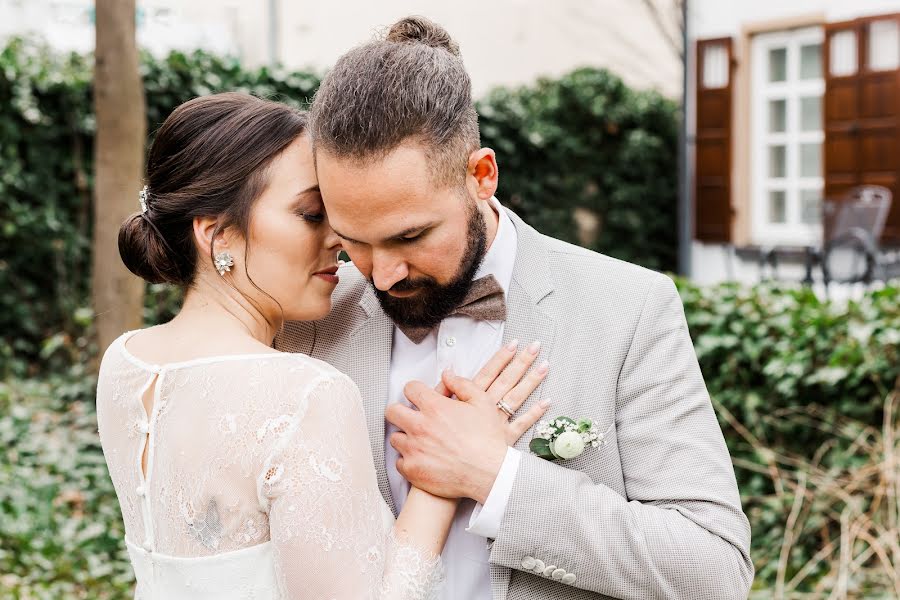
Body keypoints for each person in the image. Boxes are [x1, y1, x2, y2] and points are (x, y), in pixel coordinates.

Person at [275, 16, 754, 600]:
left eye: (409, 237)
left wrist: (494, 478)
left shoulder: (629, 309)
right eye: (354, 239)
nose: (382, 273)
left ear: (482, 176)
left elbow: (714, 570)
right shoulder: (308, 326)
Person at [96, 92, 549, 599]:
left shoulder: (125, 362)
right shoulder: (306, 394)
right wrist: (441, 482)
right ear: (218, 235)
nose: (338, 238)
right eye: (311, 214)